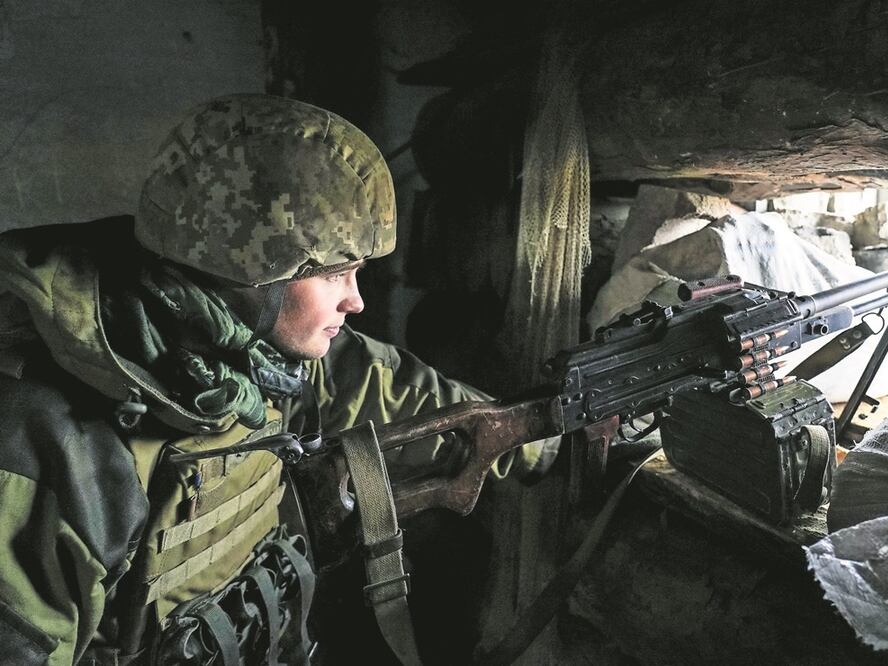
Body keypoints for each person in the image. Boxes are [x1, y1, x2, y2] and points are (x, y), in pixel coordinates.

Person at [0, 93, 546, 665]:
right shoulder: (50, 443)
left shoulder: (255, 355)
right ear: (248, 268)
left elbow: (394, 389)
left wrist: (548, 429)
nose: (356, 301)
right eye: (336, 274)